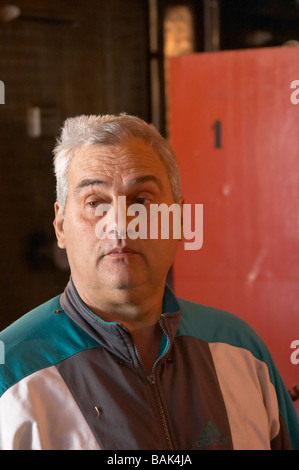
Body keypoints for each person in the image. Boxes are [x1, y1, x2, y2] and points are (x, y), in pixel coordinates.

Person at [0, 113, 298, 450]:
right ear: (61, 227)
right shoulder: (10, 376)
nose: (120, 224)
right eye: (95, 202)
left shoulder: (241, 350)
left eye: (142, 200)